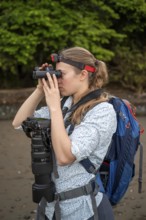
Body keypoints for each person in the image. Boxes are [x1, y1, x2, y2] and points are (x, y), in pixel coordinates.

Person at [12, 46, 117, 220]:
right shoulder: (64, 104)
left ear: (83, 74)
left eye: (60, 74)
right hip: (49, 207)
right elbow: (19, 123)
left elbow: (65, 157)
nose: (56, 79)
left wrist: (53, 105)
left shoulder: (103, 111)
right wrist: (40, 90)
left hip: (83, 210)